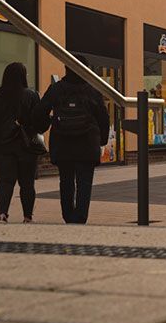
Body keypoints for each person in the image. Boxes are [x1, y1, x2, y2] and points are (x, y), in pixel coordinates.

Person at [31, 56, 109, 225]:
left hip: (63, 143)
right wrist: (102, 140)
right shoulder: (92, 90)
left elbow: (39, 112)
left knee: (65, 181)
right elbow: (103, 117)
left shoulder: (56, 89)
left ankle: (68, 216)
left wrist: (48, 124)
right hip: (87, 144)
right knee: (84, 183)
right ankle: (80, 218)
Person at [0, 62, 41, 223]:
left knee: (6, 181)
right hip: (26, 146)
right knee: (27, 183)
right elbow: (38, 121)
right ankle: (27, 216)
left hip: (1, 147)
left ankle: (2, 214)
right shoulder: (31, 96)